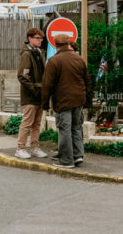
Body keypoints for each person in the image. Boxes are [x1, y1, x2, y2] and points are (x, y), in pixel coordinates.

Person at [41, 33, 91, 168]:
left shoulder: (54, 61)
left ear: (55, 45)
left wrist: (45, 103)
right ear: (69, 43)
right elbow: (87, 80)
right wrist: (88, 100)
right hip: (79, 99)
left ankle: (66, 160)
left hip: (63, 101)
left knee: (64, 129)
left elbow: (47, 85)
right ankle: (78, 155)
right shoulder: (79, 59)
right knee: (76, 128)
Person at [15, 28, 47, 159]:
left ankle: (34, 147)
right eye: (37, 38)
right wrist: (34, 91)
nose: (40, 41)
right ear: (30, 38)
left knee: (37, 124)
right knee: (27, 123)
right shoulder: (27, 54)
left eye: (41, 38)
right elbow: (22, 76)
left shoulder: (39, 53)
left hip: (40, 94)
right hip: (31, 95)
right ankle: (20, 148)